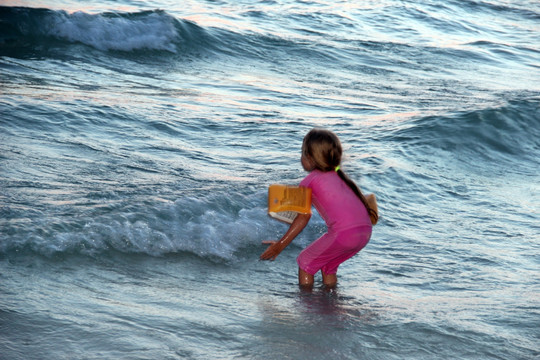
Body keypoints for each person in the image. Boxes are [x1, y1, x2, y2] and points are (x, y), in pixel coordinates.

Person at [260, 128, 378, 289]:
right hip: (364, 233)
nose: (301, 157)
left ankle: (308, 306)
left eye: (302, 153)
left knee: (305, 261)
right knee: (328, 265)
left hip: (344, 234)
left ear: (310, 157)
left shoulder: (309, 181)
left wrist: (280, 245)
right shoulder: (342, 177)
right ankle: (330, 302)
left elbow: (303, 217)